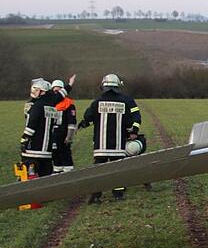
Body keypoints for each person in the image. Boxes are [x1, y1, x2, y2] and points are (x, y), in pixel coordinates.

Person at [78, 73, 141, 202]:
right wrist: (133, 131)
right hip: (118, 145)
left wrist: (83, 124)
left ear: (103, 86)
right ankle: (118, 195)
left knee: (99, 170)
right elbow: (135, 118)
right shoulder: (126, 101)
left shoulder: (97, 102)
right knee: (117, 169)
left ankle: (96, 195)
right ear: (118, 86)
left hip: (100, 145)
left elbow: (88, 117)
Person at [20, 78, 58, 179]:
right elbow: (55, 124)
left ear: (42, 92)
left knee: (28, 177)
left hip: (33, 149)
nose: (34, 92)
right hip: (47, 151)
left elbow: (32, 124)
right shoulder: (53, 107)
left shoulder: (37, 106)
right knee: (45, 179)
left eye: (37, 90)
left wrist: (24, 139)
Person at [50, 78, 77, 173]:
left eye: (58, 90)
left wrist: (69, 136)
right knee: (54, 154)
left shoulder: (69, 103)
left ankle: (68, 172)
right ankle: (57, 172)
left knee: (65, 153)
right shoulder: (50, 103)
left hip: (63, 132)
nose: (56, 93)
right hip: (52, 133)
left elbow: (72, 121)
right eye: (54, 90)